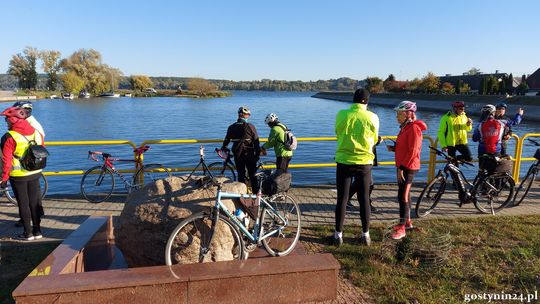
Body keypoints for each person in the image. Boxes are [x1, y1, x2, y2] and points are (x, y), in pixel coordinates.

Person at [332, 88, 379, 247]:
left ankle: (338, 235)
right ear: (367, 101)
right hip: (364, 163)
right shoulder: (373, 117)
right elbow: (373, 140)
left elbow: (338, 133)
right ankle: (365, 235)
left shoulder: (341, 114)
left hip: (344, 161)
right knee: (364, 199)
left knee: (342, 199)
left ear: (353, 100)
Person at [1, 107, 45, 241]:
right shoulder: (37, 133)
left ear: (13, 120)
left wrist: (4, 179)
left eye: (6, 119)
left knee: (23, 203)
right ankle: (38, 231)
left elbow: (6, 161)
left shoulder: (9, 137)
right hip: (36, 171)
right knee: (35, 202)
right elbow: (41, 148)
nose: (6, 122)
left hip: (19, 175)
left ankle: (28, 233)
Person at [386, 101, 427, 240]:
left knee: (402, 196)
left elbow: (413, 151)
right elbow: (405, 146)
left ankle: (402, 228)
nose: (397, 116)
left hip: (408, 167)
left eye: (399, 113)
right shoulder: (405, 127)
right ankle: (407, 222)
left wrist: (403, 168)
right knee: (405, 195)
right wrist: (395, 148)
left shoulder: (414, 128)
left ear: (407, 114)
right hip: (403, 165)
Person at [12, 101, 45, 227]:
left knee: (25, 198)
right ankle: (37, 214)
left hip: (27, 163)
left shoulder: (30, 123)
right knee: (34, 192)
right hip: (34, 162)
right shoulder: (32, 122)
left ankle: (26, 220)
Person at [222, 106, 261, 192]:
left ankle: (242, 196)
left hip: (237, 154)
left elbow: (226, 140)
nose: (248, 116)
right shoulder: (250, 126)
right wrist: (257, 154)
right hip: (249, 154)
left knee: (241, 175)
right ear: (244, 115)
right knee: (253, 175)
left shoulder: (231, 127)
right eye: (248, 115)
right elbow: (256, 142)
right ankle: (256, 197)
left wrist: (224, 148)